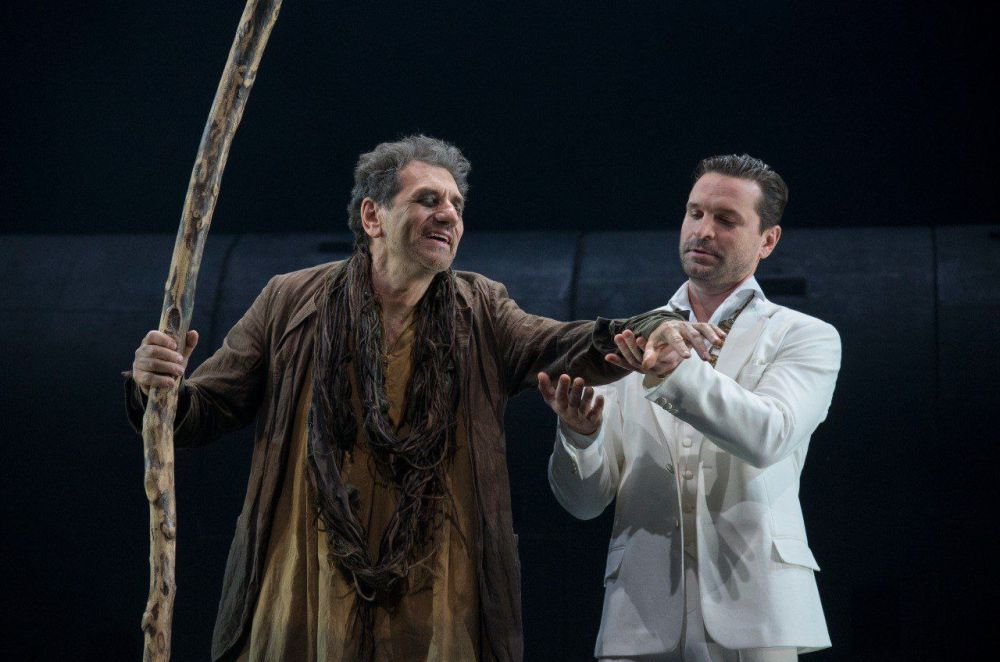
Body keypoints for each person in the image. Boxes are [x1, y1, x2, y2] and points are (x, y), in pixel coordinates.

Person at [125, 135, 713, 662]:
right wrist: (157, 389)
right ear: (373, 216)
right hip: (305, 581)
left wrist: (647, 328)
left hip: (435, 591)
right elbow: (202, 411)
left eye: (456, 204)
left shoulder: (480, 308)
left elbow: (561, 344)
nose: (449, 215)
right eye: (428, 200)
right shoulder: (290, 300)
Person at [542, 155, 841, 662]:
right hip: (638, 617)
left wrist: (675, 372)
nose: (703, 230)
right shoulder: (630, 337)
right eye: (695, 213)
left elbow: (768, 435)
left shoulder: (805, 336)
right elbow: (585, 503)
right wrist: (580, 436)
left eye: (726, 219)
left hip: (758, 615)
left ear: (767, 240)